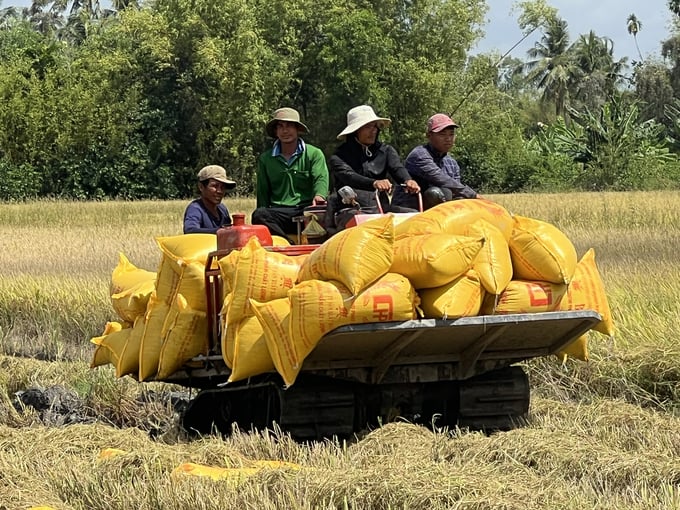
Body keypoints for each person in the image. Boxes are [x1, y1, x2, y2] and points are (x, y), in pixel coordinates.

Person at [328, 105, 420, 218]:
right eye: (367, 127)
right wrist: (374, 183)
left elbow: (397, 168)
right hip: (349, 208)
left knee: (414, 216)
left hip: (381, 207)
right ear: (355, 131)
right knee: (359, 218)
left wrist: (408, 180)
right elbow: (349, 177)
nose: (373, 131)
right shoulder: (339, 156)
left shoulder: (386, 150)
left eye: (375, 126)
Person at [251, 107, 329, 239]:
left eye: (289, 126)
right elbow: (263, 192)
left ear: (297, 129)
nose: (285, 131)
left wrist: (319, 195)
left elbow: (320, 178)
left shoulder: (314, 154)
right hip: (279, 213)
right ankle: (288, 244)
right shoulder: (266, 159)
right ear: (276, 131)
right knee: (259, 215)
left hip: (306, 209)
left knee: (328, 215)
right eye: (280, 126)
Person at [392, 113, 478, 211]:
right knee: (434, 193)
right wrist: (474, 195)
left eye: (451, 134)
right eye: (442, 134)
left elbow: (456, 190)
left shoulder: (452, 163)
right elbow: (441, 179)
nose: (448, 139)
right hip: (408, 211)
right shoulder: (419, 155)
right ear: (429, 135)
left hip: (435, 212)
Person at [183, 165, 237, 234]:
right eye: (215, 186)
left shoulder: (222, 209)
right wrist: (221, 232)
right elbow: (190, 230)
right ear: (201, 187)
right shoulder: (196, 208)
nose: (219, 191)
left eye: (223, 187)